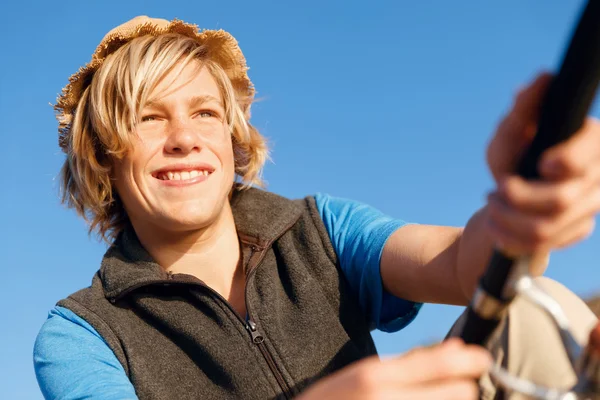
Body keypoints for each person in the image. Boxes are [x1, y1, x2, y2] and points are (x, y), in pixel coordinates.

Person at [33, 16, 600, 400]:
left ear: (233, 140)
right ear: (104, 156)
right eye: (148, 117)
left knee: (533, 306)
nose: (184, 137)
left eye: (205, 112)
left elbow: (461, 265)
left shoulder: (318, 229)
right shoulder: (81, 334)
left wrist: (523, 207)